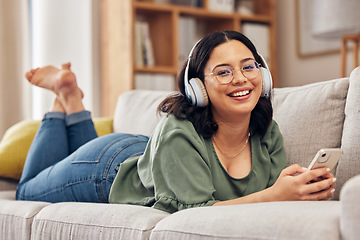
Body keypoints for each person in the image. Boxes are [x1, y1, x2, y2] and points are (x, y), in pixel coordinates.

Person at [16, 31, 336, 213]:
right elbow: (191, 217)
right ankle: (61, 100)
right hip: (106, 169)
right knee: (26, 192)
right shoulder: (178, 133)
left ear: (263, 75)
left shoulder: (267, 131)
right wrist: (277, 195)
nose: (241, 79)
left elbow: (261, 207)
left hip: (149, 156)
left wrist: (299, 192)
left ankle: (71, 95)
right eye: (223, 71)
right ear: (198, 87)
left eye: (249, 66)